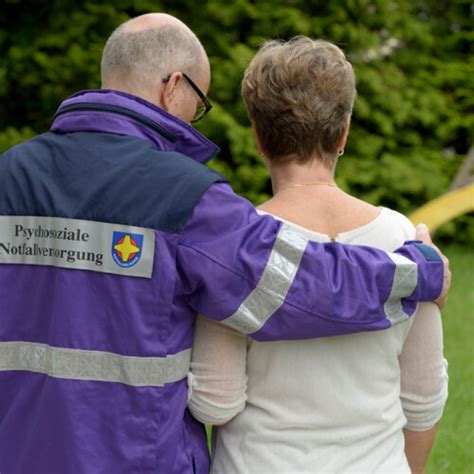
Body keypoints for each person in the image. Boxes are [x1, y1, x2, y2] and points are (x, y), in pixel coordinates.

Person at [0, 14, 449, 474]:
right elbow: (296, 283)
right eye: (198, 102)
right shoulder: (182, 196)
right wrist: (418, 271)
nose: (195, 116)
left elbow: (216, 399)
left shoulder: (8, 176)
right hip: (139, 459)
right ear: (174, 85)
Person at [188, 37, 449, 473]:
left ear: (258, 138)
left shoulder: (234, 245)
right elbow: (424, 400)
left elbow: (216, 401)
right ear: (343, 131)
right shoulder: (403, 239)